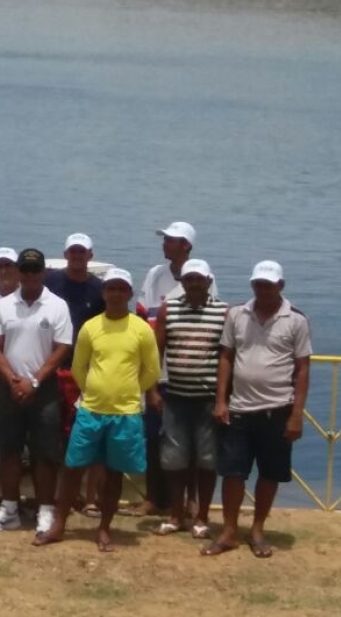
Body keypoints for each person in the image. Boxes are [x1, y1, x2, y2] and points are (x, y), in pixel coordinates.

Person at [36, 268, 160, 552]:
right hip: (91, 409)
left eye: (121, 289)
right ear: (104, 293)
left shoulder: (141, 329)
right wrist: (95, 389)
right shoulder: (91, 327)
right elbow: (79, 367)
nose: (116, 293)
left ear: (129, 293)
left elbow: (151, 371)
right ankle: (59, 525)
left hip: (126, 413)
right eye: (111, 288)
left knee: (114, 474)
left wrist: (126, 390)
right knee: (72, 469)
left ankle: (104, 528)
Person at [203, 261, 311, 558]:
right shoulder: (237, 314)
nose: (263, 289)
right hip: (238, 409)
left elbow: (302, 369)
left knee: (270, 474)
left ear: (281, 286)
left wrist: (297, 415)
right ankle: (228, 531)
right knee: (233, 473)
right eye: (258, 284)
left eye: (269, 284)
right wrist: (221, 400)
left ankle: (258, 529)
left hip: (277, 410)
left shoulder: (296, 320)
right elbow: (226, 357)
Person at [0, 249, 73, 537]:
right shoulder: (4, 306)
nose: (30, 275)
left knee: (45, 452)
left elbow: (62, 349)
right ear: (19, 273)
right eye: (26, 270)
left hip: (43, 389)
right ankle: (9, 510)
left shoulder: (57, 306)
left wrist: (34, 381)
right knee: (7, 450)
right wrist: (12, 380)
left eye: (35, 270)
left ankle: (45, 510)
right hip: (9, 387)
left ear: (44, 272)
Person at [132, 221, 218, 517]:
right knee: (155, 435)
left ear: (186, 245)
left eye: (171, 240)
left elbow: (210, 320)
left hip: (191, 374)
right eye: (165, 239)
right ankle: (155, 498)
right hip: (159, 370)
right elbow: (142, 319)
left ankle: (190, 501)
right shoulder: (155, 275)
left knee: (194, 440)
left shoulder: (204, 278)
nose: (164, 244)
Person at [151, 259, 227, 539]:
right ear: (182, 282)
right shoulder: (168, 310)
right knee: (174, 459)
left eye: (199, 279)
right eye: (189, 279)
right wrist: (153, 389)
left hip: (208, 398)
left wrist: (222, 399)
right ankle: (176, 514)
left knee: (207, 460)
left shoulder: (223, 312)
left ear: (208, 281)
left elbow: (225, 358)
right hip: (176, 397)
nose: (194, 284)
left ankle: (202, 517)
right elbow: (155, 353)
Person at [44, 233, 107, 517]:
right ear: (65, 253)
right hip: (54, 368)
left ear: (90, 256)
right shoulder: (51, 281)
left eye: (82, 252)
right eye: (73, 252)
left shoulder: (100, 289)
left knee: (88, 435)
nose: (77, 256)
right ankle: (62, 495)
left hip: (89, 373)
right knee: (56, 435)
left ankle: (91, 497)